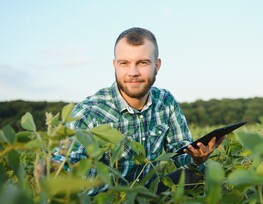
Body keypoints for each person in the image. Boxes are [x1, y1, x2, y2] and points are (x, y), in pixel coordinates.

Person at [53, 27, 224, 194]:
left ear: (157, 65)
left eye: (142, 63)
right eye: (124, 63)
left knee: (203, 173)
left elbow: (180, 152)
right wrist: (51, 170)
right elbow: (64, 163)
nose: (133, 72)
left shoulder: (165, 101)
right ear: (115, 65)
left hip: (149, 195)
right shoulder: (90, 111)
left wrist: (196, 157)